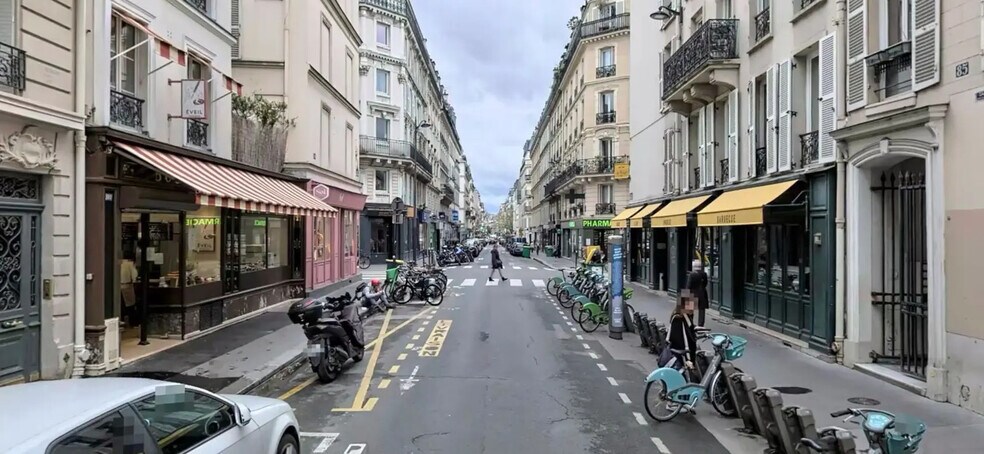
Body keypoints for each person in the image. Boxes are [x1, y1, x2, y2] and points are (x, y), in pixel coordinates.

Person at [663, 294, 699, 380]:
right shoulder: (678, 319)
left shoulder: (684, 317)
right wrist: (688, 359)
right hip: (681, 357)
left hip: (683, 355)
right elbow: (681, 341)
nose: (693, 309)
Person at [686, 259, 709, 326]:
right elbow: (705, 283)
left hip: (692, 294)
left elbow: (688, 286)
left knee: (690, 310)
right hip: (702, 294)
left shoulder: (691, 275)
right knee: (702, 310)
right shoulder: (704, 274)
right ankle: (701, 324)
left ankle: (690, 323)